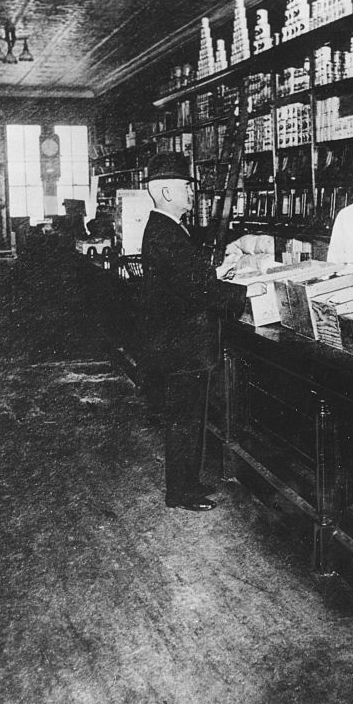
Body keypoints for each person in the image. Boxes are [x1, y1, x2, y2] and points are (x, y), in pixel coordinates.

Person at [140, 152, 246, 512]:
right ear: (167, 192)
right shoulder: (165, 232)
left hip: (180, 343)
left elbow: (189, 278)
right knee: (184, 418)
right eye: (186, 187)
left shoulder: (166, 227)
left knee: (188, 416)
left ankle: (187, 481)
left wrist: (216, 273)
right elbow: (195, 291)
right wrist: (246, 293)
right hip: (181, 345)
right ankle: (180, 492)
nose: (191, 193)